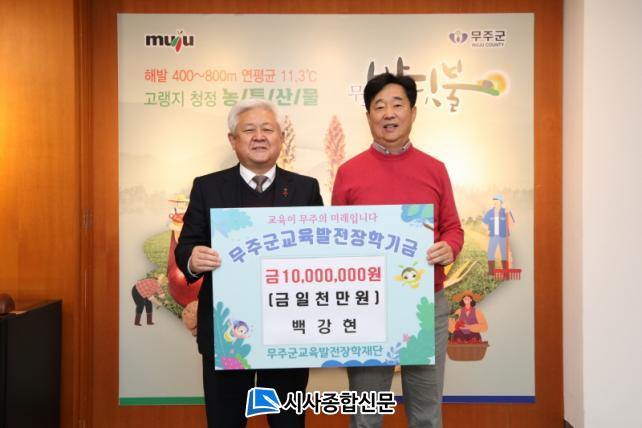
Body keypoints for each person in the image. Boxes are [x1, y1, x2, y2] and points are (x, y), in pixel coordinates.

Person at [175, 99, 324, 427]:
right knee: (225, 421)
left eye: (267, 129)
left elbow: (320, 253)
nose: (259, 137)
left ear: (281, 137)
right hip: (227, 333)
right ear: (233, 139)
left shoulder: (305, 189)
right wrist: (193, 258)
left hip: (287, 331)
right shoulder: (207, 187)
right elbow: (185, 247)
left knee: (287, 423)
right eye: (249, 130)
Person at [332, 73, 464, 428]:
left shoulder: (435, 169)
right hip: (366, 305)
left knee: (426, 414)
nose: (388, 113)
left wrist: (449, 247)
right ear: (368, 116)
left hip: (426, 303)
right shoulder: (348, 173)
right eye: (379, 106)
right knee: (366, 415)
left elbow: (453, 227)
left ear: (413, 112)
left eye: (397, 105)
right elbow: (336, 240)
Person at [482, 194, 515, 274]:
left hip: (503, 236)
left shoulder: (506, 211)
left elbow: (511, 224)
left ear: (501, 202)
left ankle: (505, 271)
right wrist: (487, 230)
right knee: (490, 252)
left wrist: (509, 213)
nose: (495, 203)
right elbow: (484, 223)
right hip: (493, 236)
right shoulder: (490, 212)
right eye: (494, 201)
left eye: (496, 201)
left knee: (504, 253)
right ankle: (491, 271)